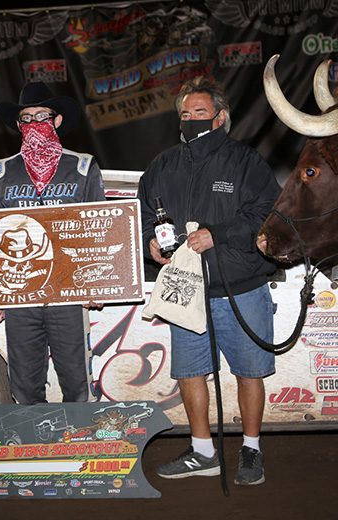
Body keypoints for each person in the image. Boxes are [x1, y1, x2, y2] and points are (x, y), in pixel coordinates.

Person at [137, 77, 281, 486]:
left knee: (249, 372)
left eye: (199, 113)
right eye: (185, 114)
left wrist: (218, 233)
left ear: (220, 117)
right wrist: (150, 241)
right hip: (185, 289)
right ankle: (203, 451)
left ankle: (251, 449)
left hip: (241, 285)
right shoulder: (163, 165)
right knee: (190, 371)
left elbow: (267, 212)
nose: (191, 120)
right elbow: (143, 213)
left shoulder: (245, 161)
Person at [0, 81, 106, 405]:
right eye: (27, 118)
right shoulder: (1, 172)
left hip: (68, 293)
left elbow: (102, 229)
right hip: (19, 295)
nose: (34, 123)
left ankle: (77, 437)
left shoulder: (82, 167)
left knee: (76, 383)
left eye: (42, 116)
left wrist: (98, 284)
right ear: (18, 124)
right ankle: (34, 437)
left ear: (57, 120)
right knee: (24, 385)